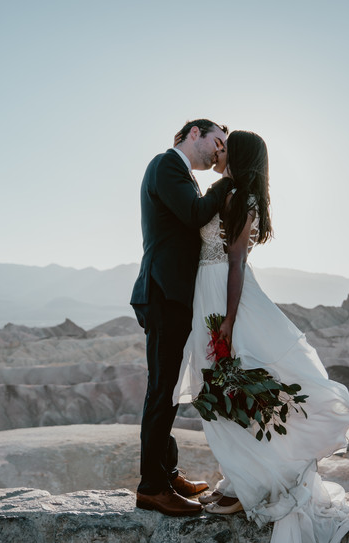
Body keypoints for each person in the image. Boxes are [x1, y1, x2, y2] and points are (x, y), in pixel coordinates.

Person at [173, 130, 349, 543]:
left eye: (225, 148)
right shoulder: (228, 192)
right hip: (207, 293)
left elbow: (236, 263)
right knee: (223, 386)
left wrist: (227, 321)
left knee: (232, 383)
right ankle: (239, 478)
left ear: (240, 156)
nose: (219, 151)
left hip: (227, 298)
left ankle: (247, 482)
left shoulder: (241, 198)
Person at [130, 118, 235, 516]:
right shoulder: (165, 164)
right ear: (195, 133)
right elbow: (193, 215)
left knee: (168, 387)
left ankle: (166, 471)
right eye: (217, 141)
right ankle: (151, 487)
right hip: (163, 294)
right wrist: (228, 180)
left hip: (176, 296)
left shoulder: (182, 174)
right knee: (161, 390)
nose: (219, 151)